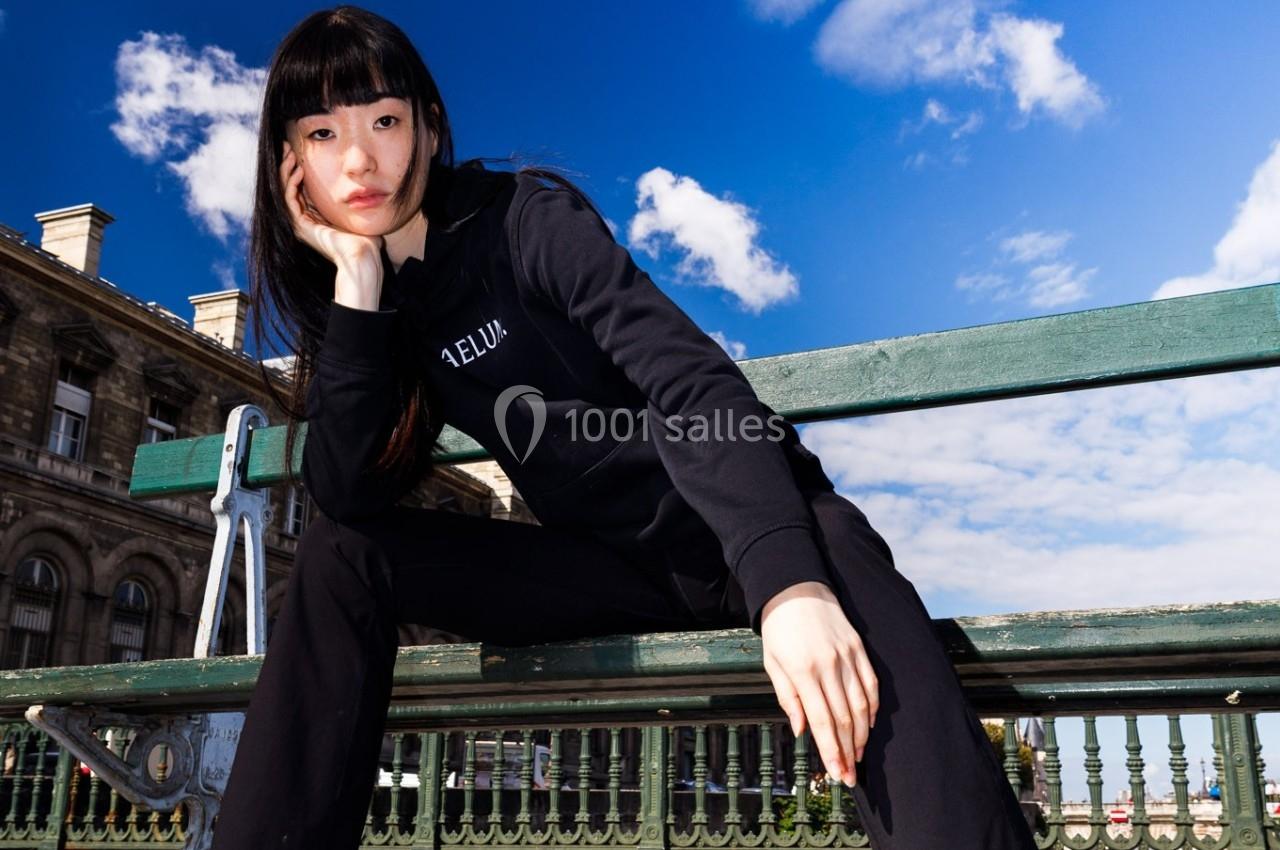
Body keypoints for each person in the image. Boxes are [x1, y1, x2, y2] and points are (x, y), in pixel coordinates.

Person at [211, 6, 1038, 849]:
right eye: (322, 133)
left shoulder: (523, 221)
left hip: (754, 534)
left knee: (849, 615)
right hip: (608, 575)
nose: (358, 159)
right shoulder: (379, 306)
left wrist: (788, 585)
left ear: (429, 127)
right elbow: (347, 491)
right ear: (291, 166)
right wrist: (357, 286)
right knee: (339, 554)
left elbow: (692, 380)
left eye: (383, 121)